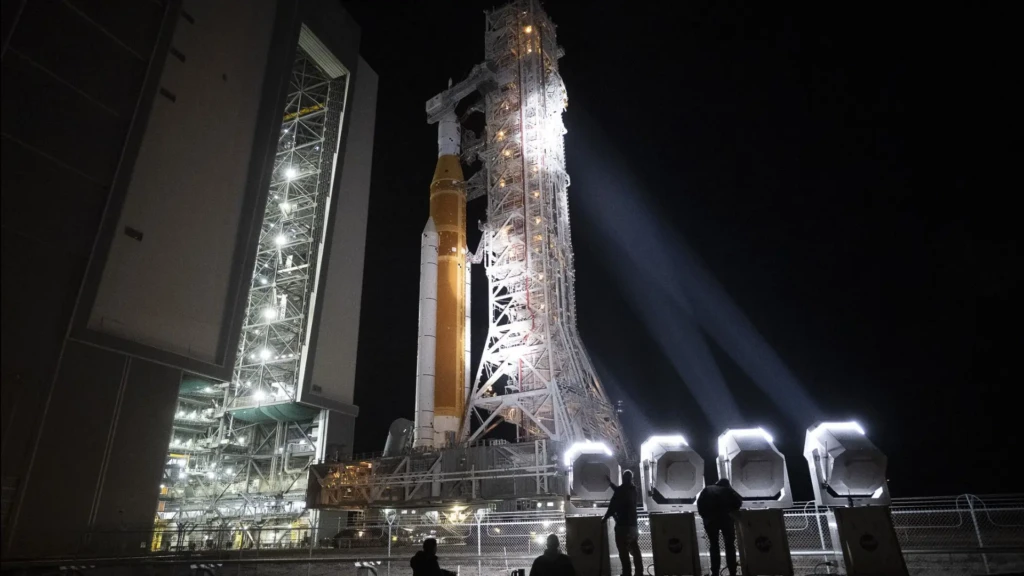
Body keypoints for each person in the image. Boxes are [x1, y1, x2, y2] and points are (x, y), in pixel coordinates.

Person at [696, 478, 743, 576]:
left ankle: (715, 573)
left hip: (710, 521)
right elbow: (738, 503)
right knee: (730, 546)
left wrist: (704, 516)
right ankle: (732, 572)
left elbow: (699, 504)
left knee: (714, 546)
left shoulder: (707, 489)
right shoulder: (727, 490)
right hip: (726, 520)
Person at [602, 470, 643, 576]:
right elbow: (620, 491)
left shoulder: (621, 491)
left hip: (622, 526)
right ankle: (639, 572)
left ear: (624, 478)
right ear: (631, 478)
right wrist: (611, 484)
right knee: (634, 548)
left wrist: (605, 518)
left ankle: (627, 572)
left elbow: (613, 505)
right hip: (633, 525)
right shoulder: (633, 490)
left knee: (623, 550)